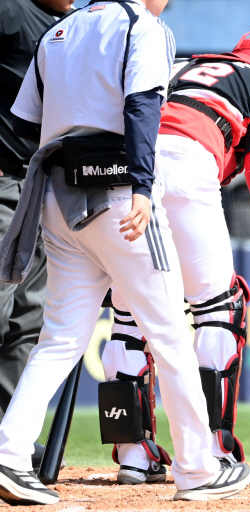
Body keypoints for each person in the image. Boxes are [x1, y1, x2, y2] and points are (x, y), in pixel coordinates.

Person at [0, 0, 250, 505]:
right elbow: (142, 103)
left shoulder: (60, 28)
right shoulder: (143, 24)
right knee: (170, 335)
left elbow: (23, 125)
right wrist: (141, 184)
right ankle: (199, 470)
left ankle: (7, 454)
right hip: (120, 195)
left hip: (57, 195)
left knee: (59, 340)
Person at [100, 32, 250, 485]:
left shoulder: (181, 63)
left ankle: (134, 453)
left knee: (131, 313)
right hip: (188, 162)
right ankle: (212, 448)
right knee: (218, 308)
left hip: (126, 168)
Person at [0, 0, 74, 472]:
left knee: (27, 322)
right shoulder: (10, 9)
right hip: (5, 183)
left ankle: (9, 441)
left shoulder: (70, 26)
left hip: (42, 189)